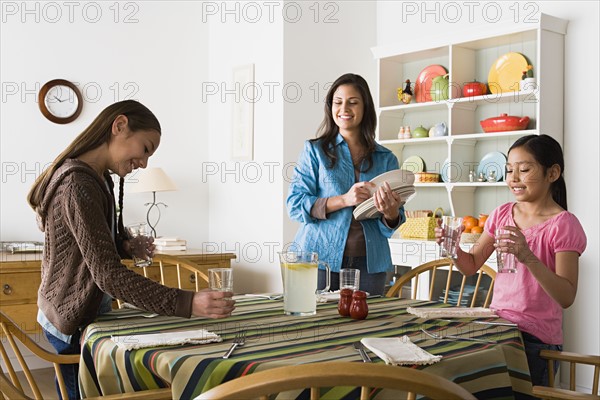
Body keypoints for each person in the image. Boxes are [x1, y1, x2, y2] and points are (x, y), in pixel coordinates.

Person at [27, 100, 235, 399]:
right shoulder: (77, 184)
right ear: (120, 126)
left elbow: (90, 242)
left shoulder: (98, 177)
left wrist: (125, 245)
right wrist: (188, 303)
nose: (145, 162)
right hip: (70, 319)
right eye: (146, 148)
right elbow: (108, 276)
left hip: (80, 311)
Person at [435, 134, 586, 387]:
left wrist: (527, 256)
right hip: (497, 328)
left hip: (535, 340)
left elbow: (567, 296)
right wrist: (452, 248)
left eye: (524, 169)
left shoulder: (564, 225)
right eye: (509, 170)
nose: (513, 178)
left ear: (553, 173)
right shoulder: (501, 214)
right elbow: (470, 266)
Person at [286, 73, 406, 296]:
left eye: (353, 102)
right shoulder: (315, 151)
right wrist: (344, 200)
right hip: (320, 260)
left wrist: (391, 214)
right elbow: (295, 204)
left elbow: (393, 221)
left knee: (368, 327)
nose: (344, 108)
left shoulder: (386, 158)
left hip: (371, 265)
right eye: (338, 102)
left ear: (365, 107)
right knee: (319, 327)